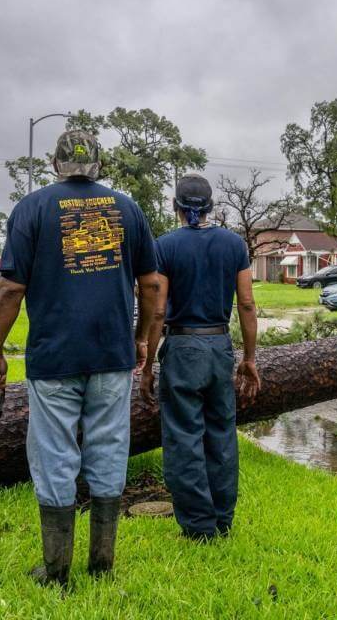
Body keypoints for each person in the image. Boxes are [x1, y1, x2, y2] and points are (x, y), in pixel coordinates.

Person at [0, 130, 160, 586]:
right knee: (109, 449)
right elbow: (153, 286)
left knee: (54, 454)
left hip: (54, 355)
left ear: (54, 164)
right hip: (111, 354)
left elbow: (10, 288)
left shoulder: (32, 208)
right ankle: (102, 565)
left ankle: (56, 570)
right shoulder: (128, 209)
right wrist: (141, 339)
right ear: (99, 164)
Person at [139, 174, 260, 541]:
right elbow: (247, 304)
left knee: (183, 436)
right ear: (211, 206)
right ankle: (223, 518)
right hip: (220, 346)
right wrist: (249, 359)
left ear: (176, 206)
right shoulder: (234, 244)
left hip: (183, 347)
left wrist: (148, 364)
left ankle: (197, 526)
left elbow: (158, 312)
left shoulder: (165, 246)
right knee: (222, 433)